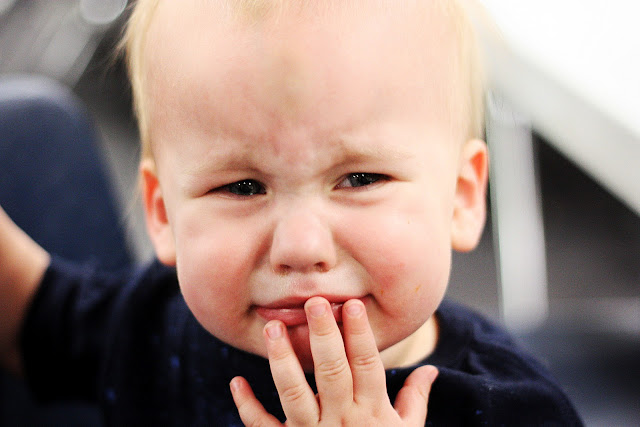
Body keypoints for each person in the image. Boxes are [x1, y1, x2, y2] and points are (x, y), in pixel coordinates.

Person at [0, 0, 582, 425]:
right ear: (163, 213)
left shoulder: (510, 410)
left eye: (360, 179)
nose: (301, 246)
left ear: (460, 197)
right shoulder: (160, 323)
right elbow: (34, 324)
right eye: (242, 186)